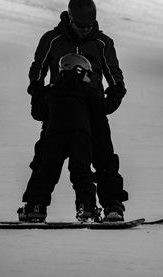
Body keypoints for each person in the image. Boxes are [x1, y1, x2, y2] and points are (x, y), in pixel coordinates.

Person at [19, 0, 128, 222]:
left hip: (93, 106)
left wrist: (116, 91)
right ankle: (35, 206)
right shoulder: (52, 39)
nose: (84, 31)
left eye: (89, 26)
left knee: (103, 158)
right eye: (80, 26)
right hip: (59, 106)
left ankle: (112, 206)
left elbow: (113, 71)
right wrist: (38, 93)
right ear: (70, 19)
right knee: (46, 159)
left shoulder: (103, 43)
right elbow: (37, 67)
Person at [20, 53, 103, 222]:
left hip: (54, 135)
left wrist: (37, 93)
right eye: (87, 73)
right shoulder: (88, 91)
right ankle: (86, 208)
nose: (88, 77)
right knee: (82, 172)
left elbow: (38, 113)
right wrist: (117, 95)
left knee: (46, 172)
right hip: (80, 135)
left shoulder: (51, 90)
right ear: (79, 70)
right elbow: (101, 110)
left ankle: (36, 207)